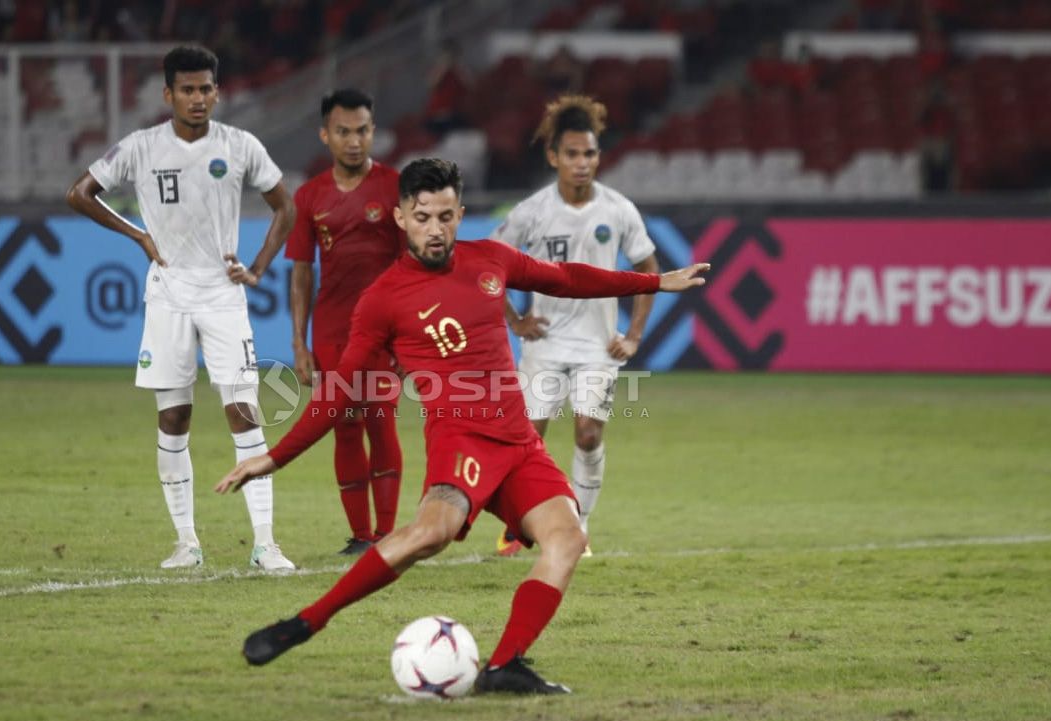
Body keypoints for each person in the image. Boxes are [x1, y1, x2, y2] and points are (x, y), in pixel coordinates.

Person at [215, 158, 709, 694]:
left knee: (567, 539)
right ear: (401, 218)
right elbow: (339, 391)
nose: (435, 228)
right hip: (461, 442)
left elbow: (565, 279)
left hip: (519, 443)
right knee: (432, 534)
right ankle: (306, 622)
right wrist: (275, 458)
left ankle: (503, 666)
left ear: (461, 215)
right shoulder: (382, 300)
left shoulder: (490, 260)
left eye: (446, 216)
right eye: (423, 216)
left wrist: (653, 282)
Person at [66, 45, 297, 571]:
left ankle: (265, 544)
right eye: (187, 90)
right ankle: (187, 544)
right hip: (168, 296)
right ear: (168, 94)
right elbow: (79, 194)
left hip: (222, 297)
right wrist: (138, 236)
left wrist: (257, 268)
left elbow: (286, 205)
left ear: (218, 92)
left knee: (244, 412)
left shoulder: (239, 145)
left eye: (206, 89)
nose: (198, 99)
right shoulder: (141, 147)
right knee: (173, 418)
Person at [492, 95, 659, 558]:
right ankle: (520, 524)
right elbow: (490, 266)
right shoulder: (532, 211)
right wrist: (516, 319)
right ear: (553, 157)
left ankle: (577, 529)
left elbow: (649, 268)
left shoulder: (618, 209)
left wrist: (634, 335)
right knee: (528, 443)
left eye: (589, 154)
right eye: (572, 154)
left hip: (596, 348)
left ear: (598, 156)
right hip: (544, 346)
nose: (582, 163)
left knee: (588, 433)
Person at [287, 88, 405, 556]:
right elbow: (300, 272)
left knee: (382, 422)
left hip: (385, 328)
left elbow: (410, 265)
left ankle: (389, 534)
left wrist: (406, 337)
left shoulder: (396, 188)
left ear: (373, 132)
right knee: (345, 425)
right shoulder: (308, 196)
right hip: (332, 329)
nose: (354, 141)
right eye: (343, 132)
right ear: (325, 135)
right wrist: (299, 343)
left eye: (362, 131)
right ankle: (360, 537)